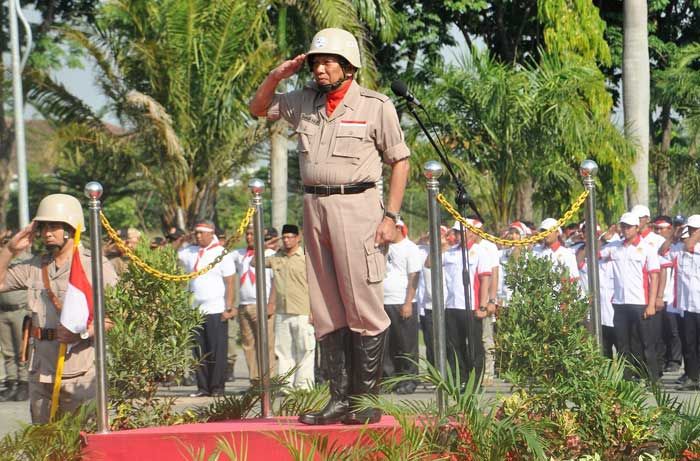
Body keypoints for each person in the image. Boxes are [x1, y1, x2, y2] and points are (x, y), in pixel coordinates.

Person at [249, 27, 410, 425]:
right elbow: (257, 109)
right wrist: (276, 76)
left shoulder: (375, 106)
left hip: (357, 206)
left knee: (363, 305)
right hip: (313, 206)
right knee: (326, 307)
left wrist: (390, 216)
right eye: (316, 62)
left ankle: (366, 402)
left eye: (328, 62)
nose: (320, 69)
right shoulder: (302, 102)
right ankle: (339, 399)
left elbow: (400, 160)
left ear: (348, 67)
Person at [0, 194, 118, 423]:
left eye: (54, 227)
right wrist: (10, 250)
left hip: (80, 371)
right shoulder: (35, 265)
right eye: (43, 227)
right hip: (41, 370)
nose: (47, 233)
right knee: (45, 443)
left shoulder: (94, 265)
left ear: (71, 228)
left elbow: (114, 317)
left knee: (81, 440)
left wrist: (82, 333)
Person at [600, 212, 661, 382]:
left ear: (636, 228)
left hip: (640, 302)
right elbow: (595, 253)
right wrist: (606, 236)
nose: (625, 230)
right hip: (620, 303)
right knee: (622, 345)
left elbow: (654, 276)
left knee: (646, 343)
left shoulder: (647, 248)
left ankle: (652, 378)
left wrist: (651, 304)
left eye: (628, 226)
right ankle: (628, 378)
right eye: (623, 226)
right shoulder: (614, 247)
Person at [178, 219, 235, 397]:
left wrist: (229, 306)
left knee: (216, 350)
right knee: (198, 351)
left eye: (201, 233)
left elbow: (230, 281)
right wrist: (183, 239)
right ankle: (203, 387)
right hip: (195, 309)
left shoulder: (221, 252)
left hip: (216, 308)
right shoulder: (189, 251)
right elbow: (173, 254)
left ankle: (217, 387)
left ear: (211, 233)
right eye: (196, 233)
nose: (198, 236)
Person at [265, 224, 315, 390]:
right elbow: (254, 262)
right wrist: (266, 244)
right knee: (283, 351)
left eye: (290, 237)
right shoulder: (276, 256)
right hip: (282, 311)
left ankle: (304, 386)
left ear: (298, 238)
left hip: (303, 311)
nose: (286, 240)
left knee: (305, 349)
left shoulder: (306, 257)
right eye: (284, 237)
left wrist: (314, 311)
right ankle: (285, 385)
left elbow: (315, 286)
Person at [442, 221, 493, 384]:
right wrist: (441, 245)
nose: (456, 235)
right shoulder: (450, 252)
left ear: (470, 233)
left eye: (459, 232)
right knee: (454, 345)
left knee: (474, 346)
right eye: (455, 232)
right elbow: (429, 264)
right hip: (452, 305)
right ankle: (460, 378)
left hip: (471, 307)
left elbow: (485, 280)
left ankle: (475, 379)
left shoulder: (480, 252)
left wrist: (483, 305)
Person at [382, 220, 425, 395]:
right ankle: (390, 379)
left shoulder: (410, 248)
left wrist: (408, 302)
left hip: (402, 301)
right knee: (387, 345)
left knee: (406, 345)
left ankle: (409, 379)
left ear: (398, 228)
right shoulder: (383, 247)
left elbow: (414, 276)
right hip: (384, 301)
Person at [230, 226, 275, 385]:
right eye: (247, 234)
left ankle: (269, 381)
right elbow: (221, 255)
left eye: (252, 234)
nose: (249, 237)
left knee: (266, 344)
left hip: (261, 305)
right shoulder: (238, 254)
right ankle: (255, 382)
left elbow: (275, 280)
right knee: (248, 345)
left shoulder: (270, 254)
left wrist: (271, 303)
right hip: (244, 305)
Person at [0, 230, 30, 402]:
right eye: (4, 240)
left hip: (20, 310)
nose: (5, 242)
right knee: (8, 351)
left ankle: (24, 383)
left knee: (22, 350)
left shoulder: (26, 259)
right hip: (3, 311)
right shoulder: (3, 259)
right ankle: (12, 382)